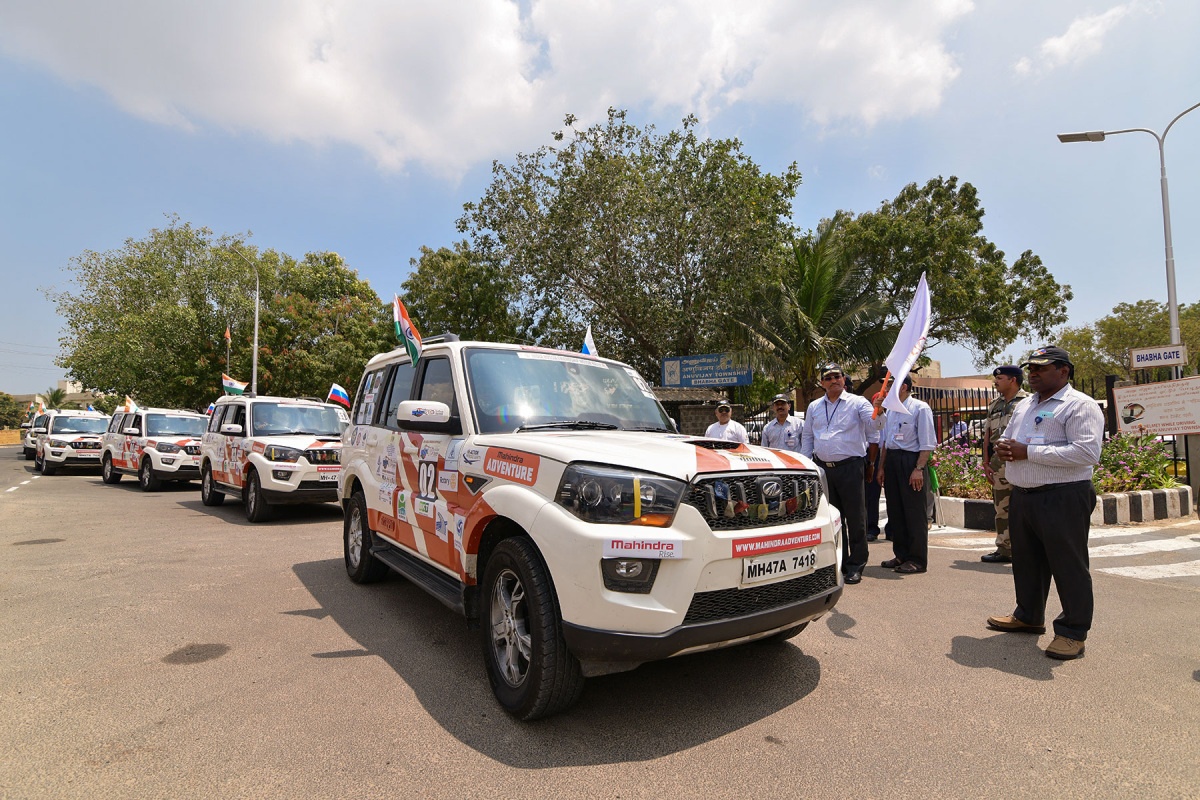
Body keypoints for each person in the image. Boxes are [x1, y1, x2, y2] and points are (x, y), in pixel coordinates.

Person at [987, 346, 1104, 661]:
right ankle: (1028, 616)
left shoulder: (1079, 405)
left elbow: (1087, 453)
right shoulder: (1026, 404)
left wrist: (1028, 452)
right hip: (1023, 495)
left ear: (1063, 371)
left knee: (1068, 566)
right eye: (1031, 368)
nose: (1034, 374)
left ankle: (1072, 632)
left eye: (1041, 368)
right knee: (1027, 562)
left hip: (1063, 496)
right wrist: (1005, 447)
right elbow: (1012, 438)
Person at [800, 365, 879, 585]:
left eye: (837, 376)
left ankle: (856, 564)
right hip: (823, 469)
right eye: (828, 378)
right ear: (822, 383)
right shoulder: (814, 406)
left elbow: (875, 426)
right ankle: (840, 563)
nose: (833, 380)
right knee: (833, 519)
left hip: (851, 467)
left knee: (856, 518)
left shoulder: (858, 403)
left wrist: (879, 411)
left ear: (844, 379)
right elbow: (808, 437)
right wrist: (807, 465)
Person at [874, 375, 936, 574]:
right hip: (892, 461)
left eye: (891, 384)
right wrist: (881, 468)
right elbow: (886, 442)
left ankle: (917, 559)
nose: (887, 388)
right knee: (896, 511)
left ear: (904, 387)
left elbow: (927, 443)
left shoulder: (920, 408)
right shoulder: (891, 410)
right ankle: (901, 554)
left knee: (914, 512)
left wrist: (918, 469)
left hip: (911, 462)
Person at [980, 365, 1029, 563]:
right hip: (998, 462)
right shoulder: (995, 404)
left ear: (1013, 380)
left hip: (1021, 460)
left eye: (1000, 378)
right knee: (1002, 507)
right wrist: (986, 462)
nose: (995, 382)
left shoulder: (1028, 402)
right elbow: (987, 435)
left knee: (1026, 507)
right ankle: (1004, 549)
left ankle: (1028, 549)